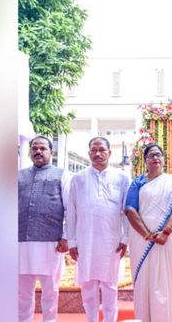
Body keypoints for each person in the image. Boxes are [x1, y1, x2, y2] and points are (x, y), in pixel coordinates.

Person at [124, 143, 172, 322]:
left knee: (167, 283)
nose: (155, 158)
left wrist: (165, 232)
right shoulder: (137, 183)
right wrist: (148, 235)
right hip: (143, 241)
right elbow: (130, 210)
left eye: (158, 155)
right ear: (145, 161)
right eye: (151, 156)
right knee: (145, 282)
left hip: (167, 240)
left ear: (163, 159)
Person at [67, 137, 130, 322]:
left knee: (110, 286)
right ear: (88, 154)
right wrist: (72, 241)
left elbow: (127, 211)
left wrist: (125, 238)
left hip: (111, 241)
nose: (97, 154)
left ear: (110, 153)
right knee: (88, 287)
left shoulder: (122, 177)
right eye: (93, 150)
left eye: (102, 150)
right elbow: (71, 212)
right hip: (85, 241)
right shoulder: (78, 179)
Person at [18, 135, 70, 322]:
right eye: (34, 148)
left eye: (42, 148)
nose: (38, 151)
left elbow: (69, 208)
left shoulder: (62, 175)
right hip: (20, 241)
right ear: (30, 152)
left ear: (51, 152)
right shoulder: (19, 175)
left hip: (51, 242)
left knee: (50, 291)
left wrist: (66, 236)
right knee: (22, 292)